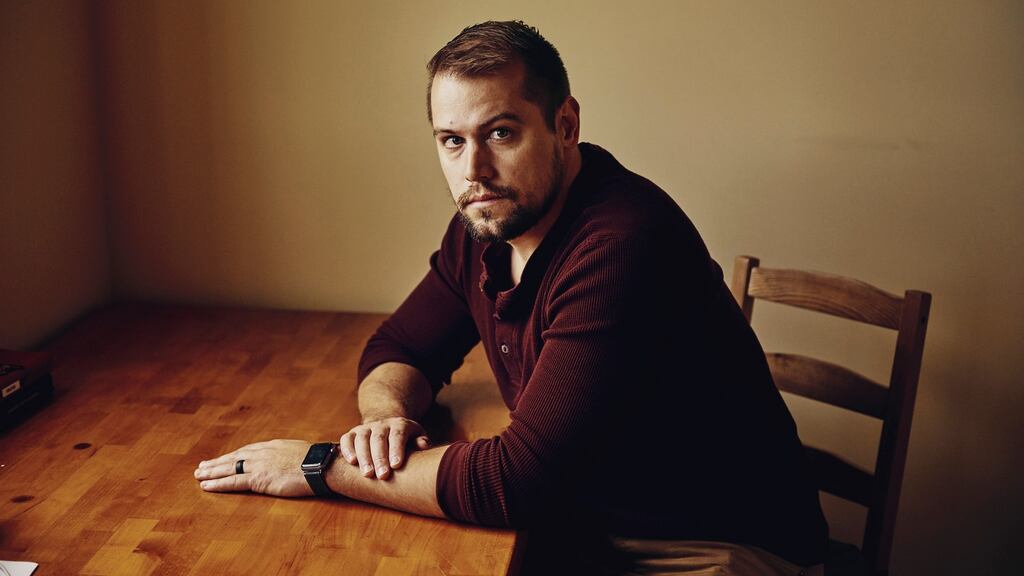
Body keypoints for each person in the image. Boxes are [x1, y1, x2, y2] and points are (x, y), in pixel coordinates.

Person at [194, 20, 829, 575]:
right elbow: (402, 345)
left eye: (499, 134)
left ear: (565, 124)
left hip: (713, 547)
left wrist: (319, 466)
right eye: (451, 140)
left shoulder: (622, 244)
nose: (473, 169)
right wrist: (384, 421)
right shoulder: (487, 222)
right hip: (585, 527)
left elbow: (517, 482)